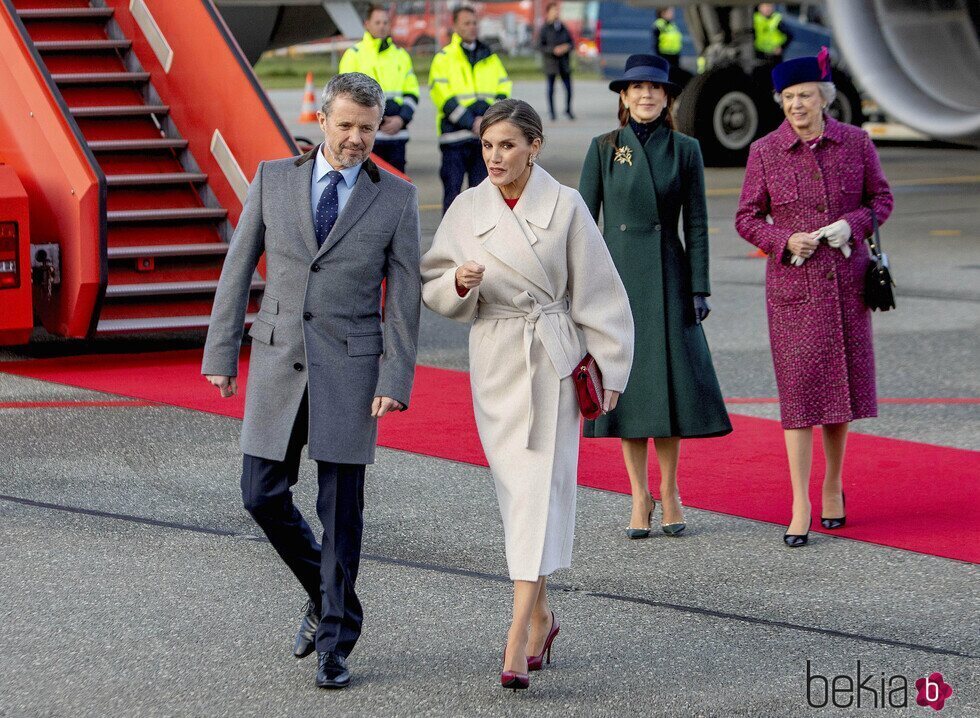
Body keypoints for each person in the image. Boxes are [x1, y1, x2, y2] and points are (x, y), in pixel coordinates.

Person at [202, 72, 421, 687]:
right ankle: (332, 599)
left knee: (340, 511)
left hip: (352, 368)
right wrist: (221, 353)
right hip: (277, 361)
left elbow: (404, 300)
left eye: (368, 129)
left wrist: (396, 376)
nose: (356, 139)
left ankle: (335, 643)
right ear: (323, 120)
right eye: (346, 125)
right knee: (260, 494)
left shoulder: (397, 199)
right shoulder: (274, 179)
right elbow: (237, 266)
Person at [421, 99, 634, 691]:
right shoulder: (466, 207)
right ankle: (542, 613)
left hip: (552, 363)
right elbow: (432, 280)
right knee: (517, 493)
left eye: (507, 145)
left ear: (534, 147)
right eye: (488, 146)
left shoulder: (565, 207)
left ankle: (516, 635)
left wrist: (611, 369)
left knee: (537, 491)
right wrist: (457, 284)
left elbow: (601, 292)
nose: (495, 157)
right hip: (494, 361)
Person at [735, 50, 893, 547]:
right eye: (788, 97)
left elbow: (881, 200)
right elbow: (746, 217)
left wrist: (854, 224)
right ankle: (800, 501)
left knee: (840, 394)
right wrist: (783, 240)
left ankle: (832, 484)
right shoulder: (764, 151)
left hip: (845, 284)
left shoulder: (856, 143)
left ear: (824, 97)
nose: (796, 105)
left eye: (805, 95)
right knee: (801, 394)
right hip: (794, 290)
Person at [579, 54, 732, 540]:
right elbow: (582, 225)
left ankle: (669, 491)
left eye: (656, 88)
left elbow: (699, 224)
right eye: (637, 88)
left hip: (668, 274)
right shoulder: (603, 148)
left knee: (665, 389)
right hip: (617, 278)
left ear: (667, 97)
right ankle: (637, 496)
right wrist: (579, 290)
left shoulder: (685, 149)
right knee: (627, 389)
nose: (646, 95)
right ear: (623, 97)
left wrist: (699, 285)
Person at [428, 5, 512, 213]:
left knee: (484, 196)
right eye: (467, 23)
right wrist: (471, 122)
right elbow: (442, 95)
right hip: (454, 139)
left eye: (475, 23)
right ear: (455, 26)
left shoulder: (490, 57)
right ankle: (449, 243)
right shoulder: (443, 58)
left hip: (484, 141)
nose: (472, 27)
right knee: (453, 196)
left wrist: (488, 122)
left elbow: (503, 89)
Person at [338, 4, 419, 173]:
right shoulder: (353, 55)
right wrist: (378, 121)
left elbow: (412, 93)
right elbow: (347, 96)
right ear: (367, 24)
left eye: (385, 22)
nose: (382, 26)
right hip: (365, 137)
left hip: (397, 135)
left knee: (396, 189)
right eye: (377, 22)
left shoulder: (401, 55)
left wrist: (401, 119)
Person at [538, 2, 575, 122]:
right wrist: (553, 50)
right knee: (550, 89)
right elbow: (540, 46)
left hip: (564, 63)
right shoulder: (544, 29)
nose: (556, 13)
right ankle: (552, 112)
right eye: (554, 11)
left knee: (569, 88)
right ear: (548, 12)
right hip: (551, 63)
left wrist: (566, 47)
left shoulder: (563, 27)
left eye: (557, 11)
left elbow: (571, 43)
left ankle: (568, 110)